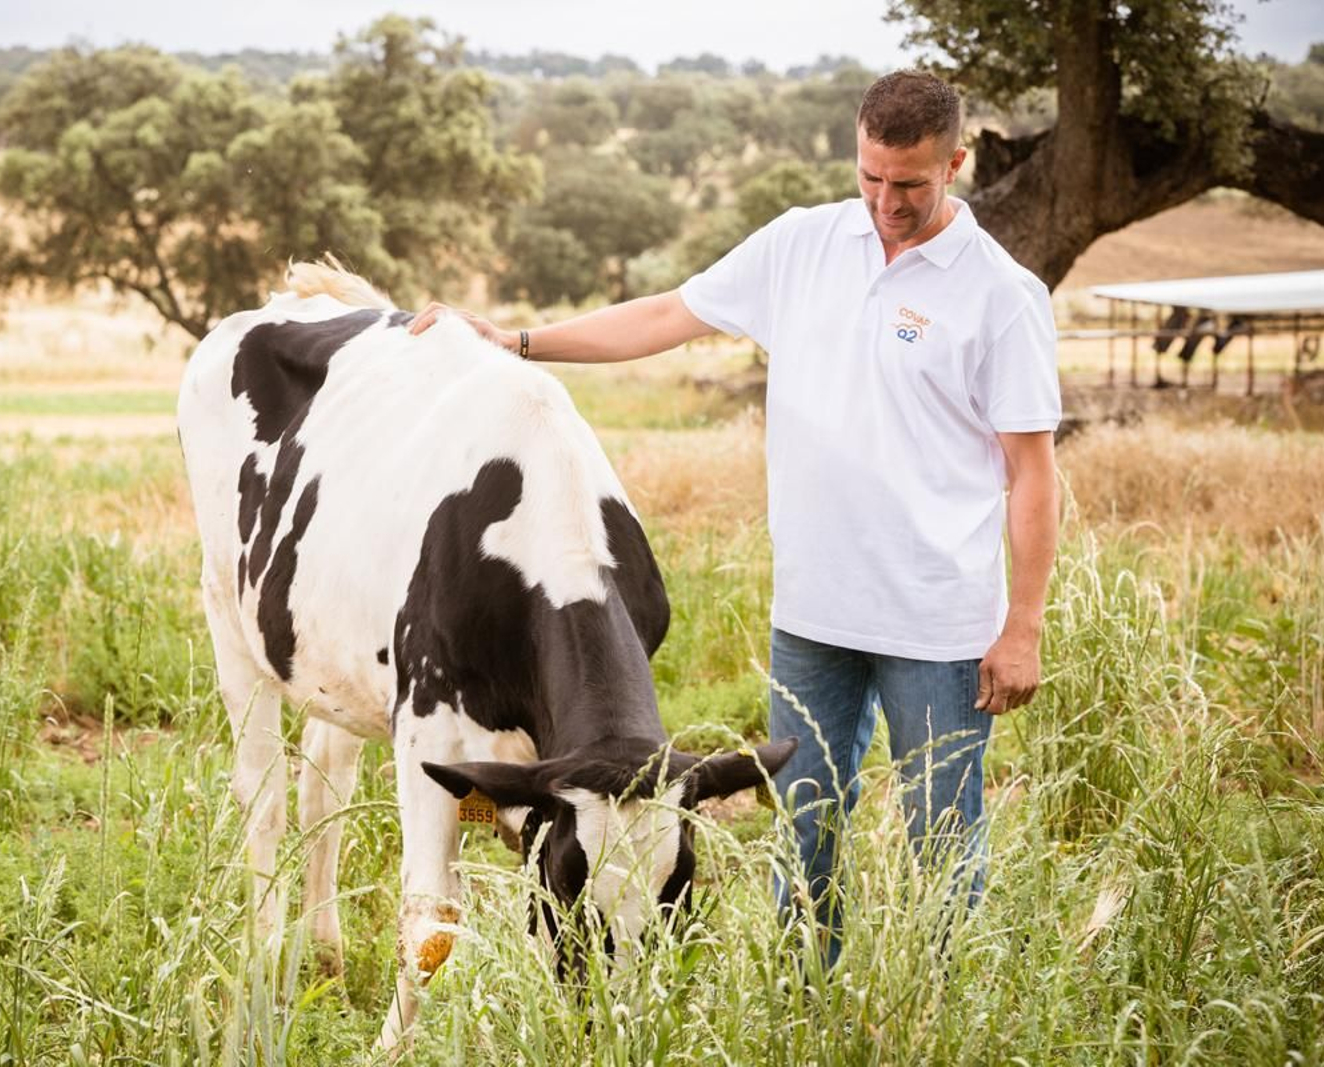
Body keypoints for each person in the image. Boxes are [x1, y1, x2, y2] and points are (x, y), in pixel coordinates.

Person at [407, 70, 1060, 964]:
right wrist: (515, 339)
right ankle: (805, 1001)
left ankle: (945, 1016)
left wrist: (1021, 625)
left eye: (909, 183)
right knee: (805, 834)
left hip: (938, 624)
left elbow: (1033, 475)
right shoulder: (803, 245)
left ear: (957, 162)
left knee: (944, 836)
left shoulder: (1002, 294)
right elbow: (670, 313)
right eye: (871, 177)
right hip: (813, 616)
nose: (885, 202)